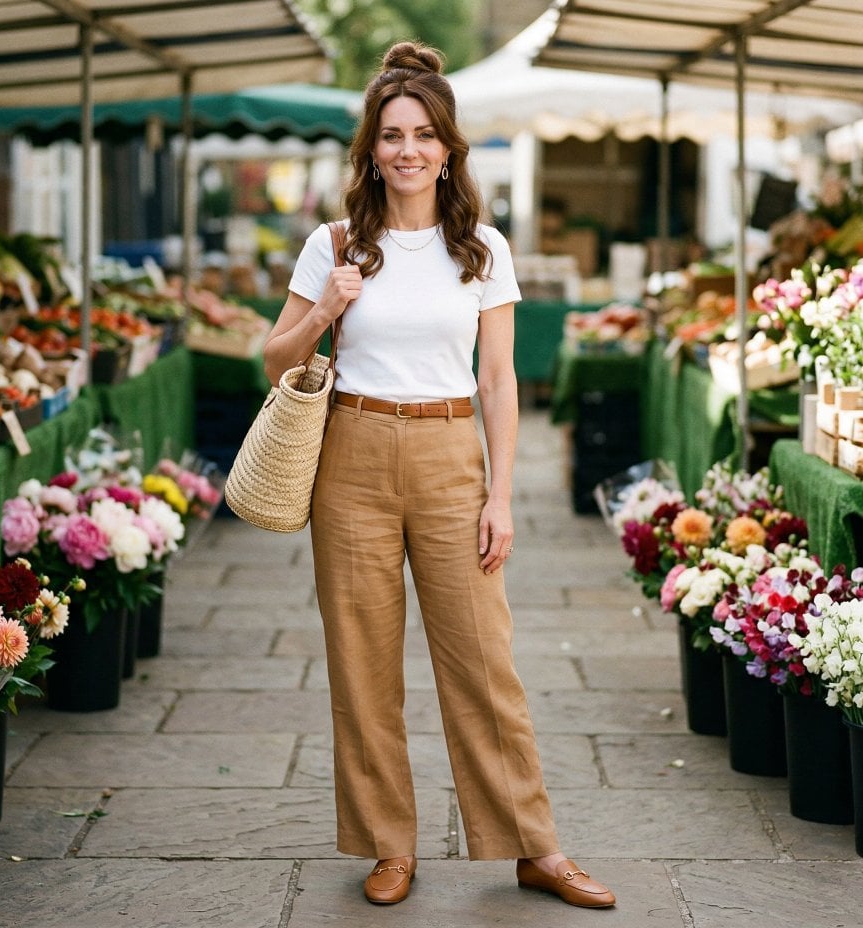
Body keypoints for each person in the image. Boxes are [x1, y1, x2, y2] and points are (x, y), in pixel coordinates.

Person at [262, 41, 616, 910]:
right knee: (362, 662)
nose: (409, 149)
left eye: (424, 134)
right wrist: (330, 308)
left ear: (450, 149)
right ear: (371, 151)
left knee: (483, 661)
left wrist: (501, 494)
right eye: (392, 135)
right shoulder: (334, 242)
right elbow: (271, 356)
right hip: (351, 456)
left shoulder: (484, 248)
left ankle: (534, 846)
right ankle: (391, 846)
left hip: (453, 457)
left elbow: (499, 381)